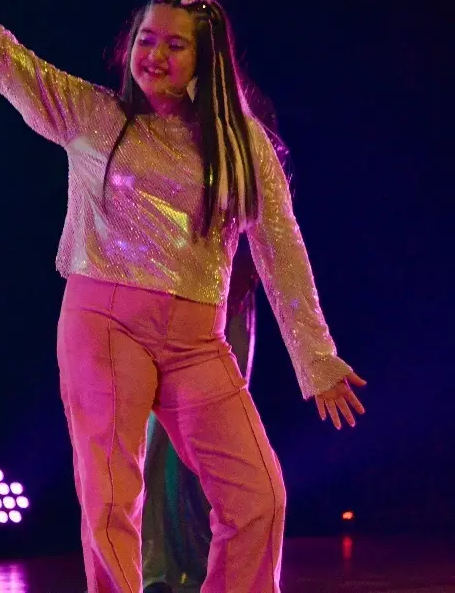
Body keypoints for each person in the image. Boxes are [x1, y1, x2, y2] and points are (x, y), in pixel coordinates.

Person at [0, 0, 367, 591]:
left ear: (204, 61)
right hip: (103, 326)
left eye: (174, 46)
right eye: (146, 40)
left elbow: (281, 249)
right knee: (111, 501)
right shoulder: (93, 114)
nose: (155, 56)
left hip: (198, 340)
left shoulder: (240, 145)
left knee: (260, 497)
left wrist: (317, 359)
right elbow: (5, 58)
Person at [141, 94, 288, 593]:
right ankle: (160, 573)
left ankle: (214, 569)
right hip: (160, 312)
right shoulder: (152, 137)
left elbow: (271, 242)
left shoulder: (250, 143)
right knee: (160, 446)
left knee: (217, 447)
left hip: (224, 310)